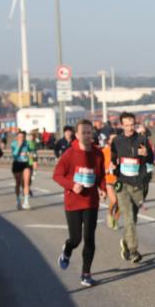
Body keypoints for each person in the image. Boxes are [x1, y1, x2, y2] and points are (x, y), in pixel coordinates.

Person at [54, 120, 105, 287]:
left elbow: (101, 175)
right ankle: (67, 251)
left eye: (90, 132)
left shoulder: (98, 154)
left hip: (91, 202)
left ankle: (86, 273)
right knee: (76, 239)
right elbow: (57, 175)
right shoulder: (69, 154)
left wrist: (103, 188)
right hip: (73, 202)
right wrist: (71, 185)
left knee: (89, 238)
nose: (87, 135)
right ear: (77, 135)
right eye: (84, 132)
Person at [110, 112, 154, 263]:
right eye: (126, 125)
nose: (129, 128)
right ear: (122, 125)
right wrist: (113, 165)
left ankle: (125, 242)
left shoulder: (142, 139)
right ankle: (134, 251)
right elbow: (114, 157)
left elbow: (150, 159)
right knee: (128, 217)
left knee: (133, 219)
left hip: (138, 184)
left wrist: (146, 154)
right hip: (122, 184)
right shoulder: (117, 140)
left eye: (132, 125)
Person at [11, 130, 34, 209]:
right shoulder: (13, 144)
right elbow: (14, 155)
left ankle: (26, 202)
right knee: (18, 184)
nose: (21, 138)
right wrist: (19, 146)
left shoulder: (26, 143)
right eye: (20, 137)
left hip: (25, 164)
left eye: (23, 137)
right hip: (17, 164)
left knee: (26, 183)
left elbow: (31, 152)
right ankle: (18, 201)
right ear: (17, 137)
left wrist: (31, 156)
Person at [101, 139, 120, 229]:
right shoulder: (105, 151)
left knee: (120, 204)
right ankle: (109, 214)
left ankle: (115, 220)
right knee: (114, 201)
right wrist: (106, 170)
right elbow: (99, 166)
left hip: (119, 180)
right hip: (108, 180)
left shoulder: (122, 150)